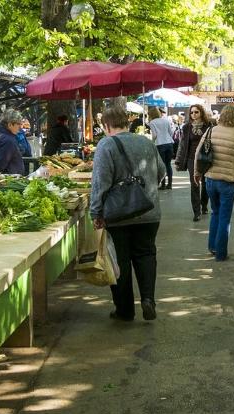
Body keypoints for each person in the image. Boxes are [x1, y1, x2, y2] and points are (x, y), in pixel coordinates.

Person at [90, 104, 166, 322]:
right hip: (149, 210)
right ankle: (148, 300)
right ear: (127, 122)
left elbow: (100, 183)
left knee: (119, 260)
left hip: (118, 215)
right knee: (146, 254)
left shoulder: (106, 145)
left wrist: (95, 213)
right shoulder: (145, 142)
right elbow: (160, 171)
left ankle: (124, 310)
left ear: (106, 125)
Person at [193, 104, 234, 261]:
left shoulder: (211, 130)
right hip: (228, 182)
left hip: (210, 179)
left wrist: (197, 173)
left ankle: (212, 247)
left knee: (215, 213)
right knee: (225, 217)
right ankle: (221, 253)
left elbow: (199, 152)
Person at [175, 104, 212, 222]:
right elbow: (182, 144)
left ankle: (204, 205)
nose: (193, 114)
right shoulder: (186, 127)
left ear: (201, 112)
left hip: (205, 158)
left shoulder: (209, 126)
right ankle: (196, 212)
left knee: (206, 184)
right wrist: (178, 160)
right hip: (191, 159)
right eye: (191, 112)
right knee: (194, 184)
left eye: (196, 112)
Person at [0, 109, 25, 175]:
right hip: (7, 181)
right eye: (18, 124)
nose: (20, 127)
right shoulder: (8, 140)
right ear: (10, 125)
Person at [147, 107, 176, 190]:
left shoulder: (152, 122)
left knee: (161, 165)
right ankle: (170, 184)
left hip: (159, 144)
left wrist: (152, 142)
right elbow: (171, 132)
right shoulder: (166, 120)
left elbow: (154, 135)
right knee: (168, 164)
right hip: (169, 143)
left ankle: (163, 184)